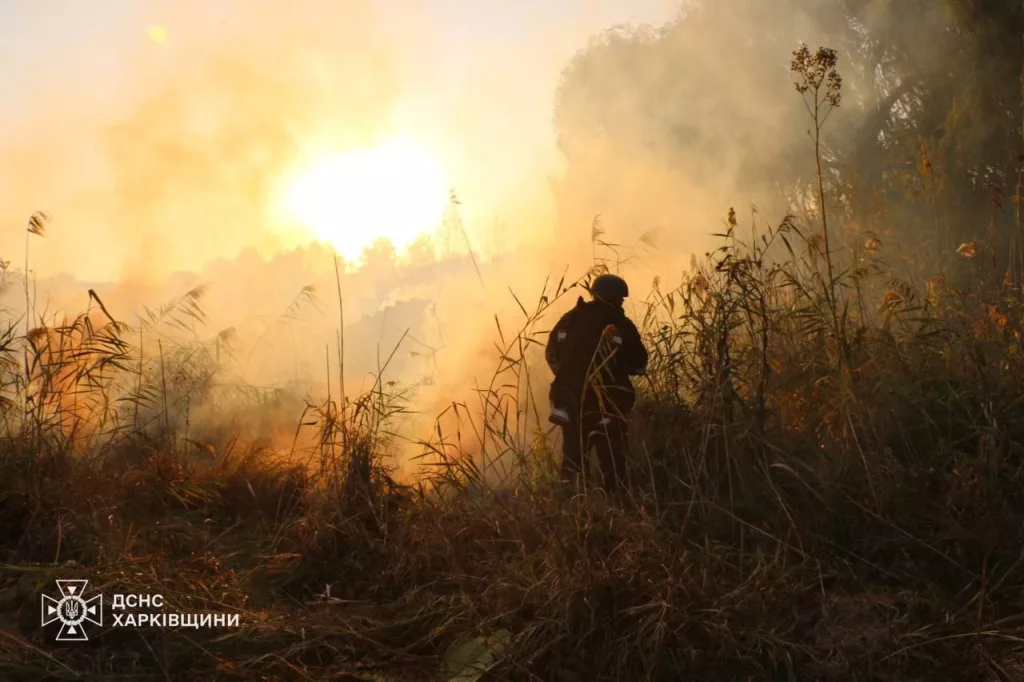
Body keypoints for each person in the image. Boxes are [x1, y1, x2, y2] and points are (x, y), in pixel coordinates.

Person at [545, 273, 648, 492]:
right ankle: (616, 507)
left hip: (571, 403)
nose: (622, 303)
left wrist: (569, 378)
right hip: (609, 405)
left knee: (573, 460)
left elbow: (552, 355)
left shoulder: (570, 318)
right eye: (621, 299)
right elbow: (639, 364)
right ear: (613, 298)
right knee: (612, 461)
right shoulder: (621, 324)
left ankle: (574, 509)